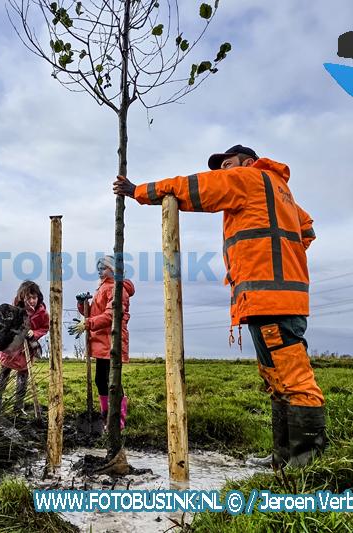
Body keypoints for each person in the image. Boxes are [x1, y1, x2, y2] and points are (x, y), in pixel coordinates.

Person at [113, 144, 325, 467]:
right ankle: (284, 459)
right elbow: (306, 230)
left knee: (293, 378)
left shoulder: (247, 178)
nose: (224, 171)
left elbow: (192, 188)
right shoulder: (283, 193)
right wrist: (281, 256)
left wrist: (137, 190)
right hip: (275, 298)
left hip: (271, 298)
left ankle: (308, 464)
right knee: (276, 377)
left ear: (248, 162)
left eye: (228, 164)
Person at [68, 255, 134, 430]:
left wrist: (87, 324)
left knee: (112, 382)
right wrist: (83, 304)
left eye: (103, 267)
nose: (99, 270)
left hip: (112, 342)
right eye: (98, 267)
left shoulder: (117, 290)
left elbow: (111, 316)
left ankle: (117, 421)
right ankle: (107, 418)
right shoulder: (103, 288)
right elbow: (94, 313)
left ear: (113, 269)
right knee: (101, 380)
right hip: (101, 343)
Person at [0, 281, 50, 414]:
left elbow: (45, 328)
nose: (32, 301)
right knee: (2, 377)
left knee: (22, 380)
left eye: (34, 298)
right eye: (28, 298)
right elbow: (6, 326)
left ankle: (18, 407)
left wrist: (34, 333)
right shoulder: (14, 310)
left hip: (26, 350)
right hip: (11, 348)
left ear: (38, 297)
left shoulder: (43, 313)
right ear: (22, 298)